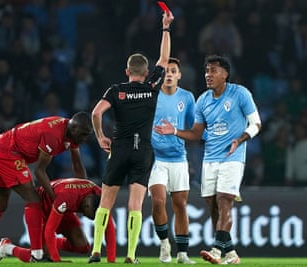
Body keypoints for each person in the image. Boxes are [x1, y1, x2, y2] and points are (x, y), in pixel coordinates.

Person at [156, 55, 262, 264]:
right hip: (210, 159)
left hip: (233, 157)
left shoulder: (240, 94)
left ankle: (216, 250)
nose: (208, 75)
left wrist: (240, 139)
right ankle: (230, 253)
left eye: (213, 70)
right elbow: (196, 134)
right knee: (212, 205)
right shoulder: (203, 100)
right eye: (206, 71)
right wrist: (174, 131)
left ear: (225, 74)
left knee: (224, 203)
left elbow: (256, 123)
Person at [88, 9, 174, 264]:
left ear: (127, 72)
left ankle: (95, 252)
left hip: (120, 148)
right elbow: (165, 57)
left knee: (106, 202)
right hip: (142, 151)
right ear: (147, 73)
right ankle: (131, 255)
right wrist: (166, 27)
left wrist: (101, 137)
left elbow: (95, 113)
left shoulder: (116, 91)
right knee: (135, 205)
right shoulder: (151, 87)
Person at [0, 112, 92, 262]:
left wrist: (83, 190)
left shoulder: (71, 133)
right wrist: (56, 200)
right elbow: (39, 171)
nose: (85, 139)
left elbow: (77, 166)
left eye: (87, 135)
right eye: (83, 134)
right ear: (73, 128)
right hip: (7, 151)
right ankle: (37, 255)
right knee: (33, 198)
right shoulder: (53, 135)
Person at [0, 178, 116, 263]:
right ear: (86, 206)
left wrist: (111, 261)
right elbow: (50, 230)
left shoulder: (100, 195)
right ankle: (7, 248)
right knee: (40, 257)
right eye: (92, 216)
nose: (93, 219)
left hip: (62, 208)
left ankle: (48, 245)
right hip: (42, 207)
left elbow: (108, 226)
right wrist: (56, 260)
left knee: (82, 246)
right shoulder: (68, 196)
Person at [149, 57, 196, 264]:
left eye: (172, 71)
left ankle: (183, 254)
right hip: (156, 159)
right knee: (158, 201)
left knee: (180, 205)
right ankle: (164, 243)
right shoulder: (151, 96)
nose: (168, 74)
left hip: (178, 159)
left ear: (179, 75)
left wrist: (175, 131)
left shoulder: (187, 98)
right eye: (166, 71)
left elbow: (193, 132)